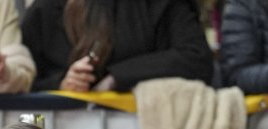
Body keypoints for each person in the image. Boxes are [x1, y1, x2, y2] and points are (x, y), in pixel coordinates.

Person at [21, 0, 215, 93]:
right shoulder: (45, 11)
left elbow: (196, 57)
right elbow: (24, 79)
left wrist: (118, 77)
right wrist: (61, 84)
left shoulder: (163, 5)